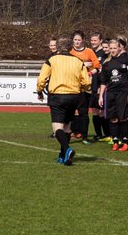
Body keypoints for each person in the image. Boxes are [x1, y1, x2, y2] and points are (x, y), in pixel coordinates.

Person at [35, 35, 91, 165]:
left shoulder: (52, 59)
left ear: (58, 47)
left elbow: (42, 79)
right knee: (67, 126)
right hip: (74, 96)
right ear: (71, 47)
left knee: (57, 128)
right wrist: (82, 87)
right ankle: (63, 156)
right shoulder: (78, 61)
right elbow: (86, 82)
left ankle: (67, 149)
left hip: (57, 96)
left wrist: (39, 91)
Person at [68, 31, 101, 141]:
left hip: (85, 86)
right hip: (72, 85)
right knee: (71, 109)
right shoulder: (69, 52)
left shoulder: (89, 51)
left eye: (79, 40)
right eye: (75, 39)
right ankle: (72, 131)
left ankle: (84, 134)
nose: (77, 42)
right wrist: (83, 64)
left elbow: (97, 65)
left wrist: (90, 73)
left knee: (84, 111)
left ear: (82, 40)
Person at [99, 37, 128, 151]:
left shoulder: (126, 60)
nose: (112, 50)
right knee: (113, 118)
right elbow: (103, 81)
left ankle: (126, 142)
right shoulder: (106, 63)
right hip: (110, 93)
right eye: (111, 48)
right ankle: (116, 141)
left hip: (122, 92)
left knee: (122, 117)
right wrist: (101, 96)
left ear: (119, 48)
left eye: (114, 48)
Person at [88, 32, 111, 142]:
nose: (93, 42)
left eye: (95, 40)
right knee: (95, 111)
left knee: (102, 111)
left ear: (100, 41)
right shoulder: (91, 52)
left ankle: (108, 134)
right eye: (91, 40)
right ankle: (98, 134)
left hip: (101, 86)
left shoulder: (105, 53)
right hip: (93, 86)